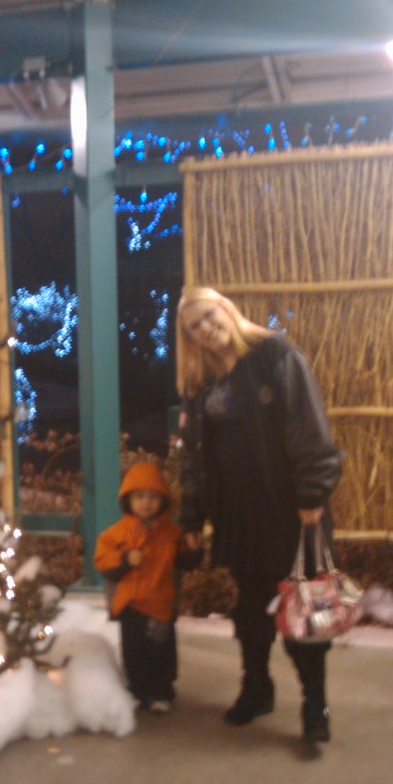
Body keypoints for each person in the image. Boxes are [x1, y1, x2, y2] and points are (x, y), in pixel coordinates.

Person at [176, 286, 343, 743]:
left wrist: (312, 493)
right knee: (250, 608)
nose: (205, 329)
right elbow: (193, 455)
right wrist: (192, 517)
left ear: (226, 310)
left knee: (303, 608)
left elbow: (308, 425)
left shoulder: (275, 355)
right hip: (237, 512)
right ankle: (256, 687)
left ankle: (315, 703)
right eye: (193, 327)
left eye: (208, 316)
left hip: (290, 508)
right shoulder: (202, 381)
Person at [94, 461, 190, 713]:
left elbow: (185, 561)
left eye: (153, 497)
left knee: (162, 651)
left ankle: (161, 691)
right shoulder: (115, 534)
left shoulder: (172, 533)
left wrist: (193, 550)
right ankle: (137, 691)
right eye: (139, 497)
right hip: (131, 605)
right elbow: (103, 562)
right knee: (133, 651)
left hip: (160, 603)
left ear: (163, 500)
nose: (146, 503)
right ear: (128, 500)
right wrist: (125, 560)